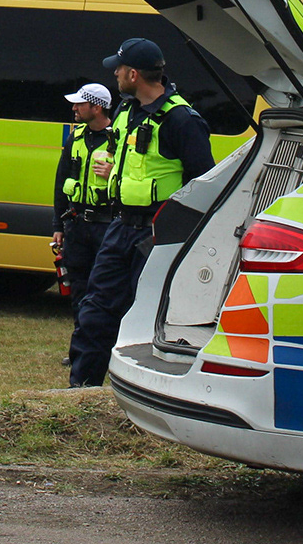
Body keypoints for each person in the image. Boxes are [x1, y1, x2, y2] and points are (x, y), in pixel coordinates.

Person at [67, 39, 213, 388]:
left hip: (157, 234)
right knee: (95, 310)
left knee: (145, 317)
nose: (114, 74)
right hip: (120, 227)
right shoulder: (124, 111)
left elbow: (204, 183)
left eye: (118, 68)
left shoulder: (182, 120)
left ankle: (140, 392)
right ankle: (80, 390)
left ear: (133, 74)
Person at [52, 83, 118, 302]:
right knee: (78, 287)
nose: (74, 109)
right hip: (77, 225)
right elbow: (61, 182)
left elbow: (135, 179)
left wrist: (114, 173)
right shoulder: (76, 137)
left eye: (79, 104)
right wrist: (58, 226)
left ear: (96, 108)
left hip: (106, 226)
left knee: (105, 286)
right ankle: (82, 330)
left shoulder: (119, 138)